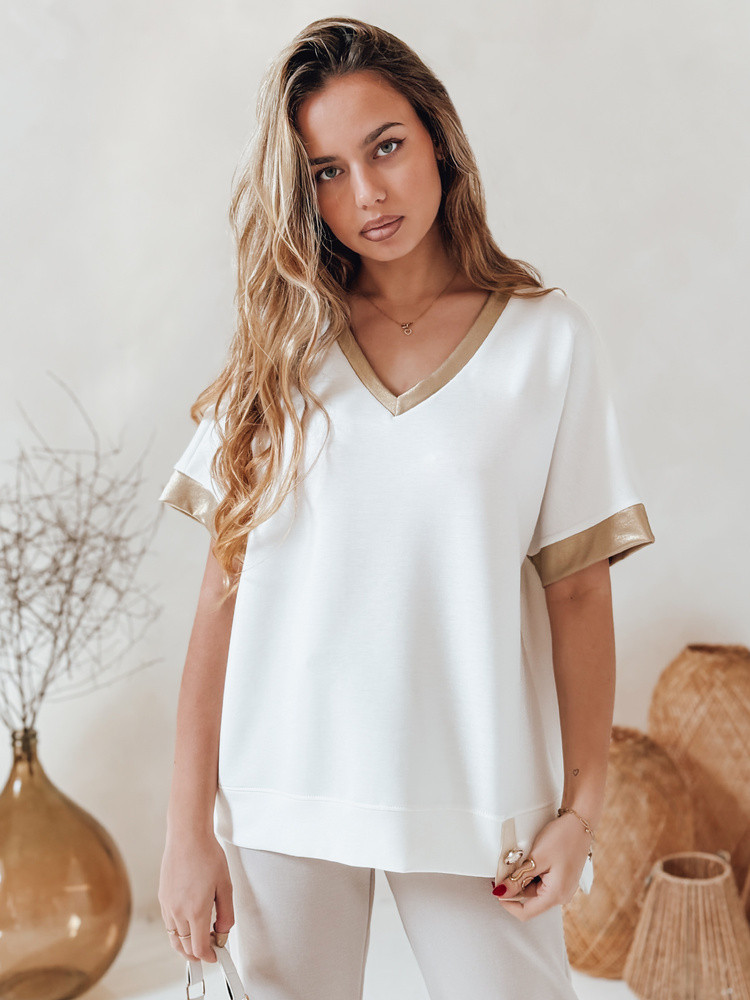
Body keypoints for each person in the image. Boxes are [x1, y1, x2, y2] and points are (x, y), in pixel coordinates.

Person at [157, 16, 655, 1000]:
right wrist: (185, 833)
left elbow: (578, 595)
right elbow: (222, 596)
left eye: (384, 147)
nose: (367, 194)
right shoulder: (280, 349)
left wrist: (580, 814)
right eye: (327, 172)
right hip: (281, 792)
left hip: (475, 793)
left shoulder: (547, 343)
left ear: (437, 138)